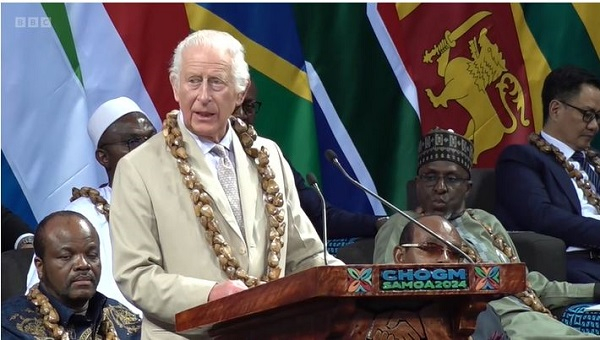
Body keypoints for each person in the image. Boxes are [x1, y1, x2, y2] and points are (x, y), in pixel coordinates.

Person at [109, 29, 343, 339]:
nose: (203, 96)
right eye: (193, 81)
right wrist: (211, 295)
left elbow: (304, 254)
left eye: (216, 82)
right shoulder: (138, 168)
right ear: (175, 87)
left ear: (241, 91)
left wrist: (351, 278)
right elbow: (135, 275)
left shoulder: (268, 154)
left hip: (272, 331)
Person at [374, 127, 600, 339]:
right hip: (479, 323)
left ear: (467, 188)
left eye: (451, 179)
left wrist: (594, 290)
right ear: (417, 184)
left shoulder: (484, 221)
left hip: (530, 317)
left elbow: (527, 283)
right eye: (430, 177)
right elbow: (386, 292)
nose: (440, 187)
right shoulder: (400, 224)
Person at [24, 96, 157, 316]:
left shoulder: (182, 201)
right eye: (133, 142)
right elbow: (39, 299)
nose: (148, 150)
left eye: (151, 139)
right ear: (103, 157)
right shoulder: (81, 217)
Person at [233, 80, 388, 240]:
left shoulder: (270, 158)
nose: (242, 115)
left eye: (249, 106)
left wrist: (377, 223)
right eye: (235, 106)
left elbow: (320, 217)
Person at [495, 66, 600, 284]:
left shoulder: (595, 162)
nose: (594, 126)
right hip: (572, 265)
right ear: (555, 109)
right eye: (587, 115)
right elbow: (541, 217)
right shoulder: (521, 159)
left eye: (598, 117)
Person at [1, 210, 141, 339]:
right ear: (40, 266)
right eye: (66, 256)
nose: (83, 264)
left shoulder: (125, 322)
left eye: (92, 255)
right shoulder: (10, 327)